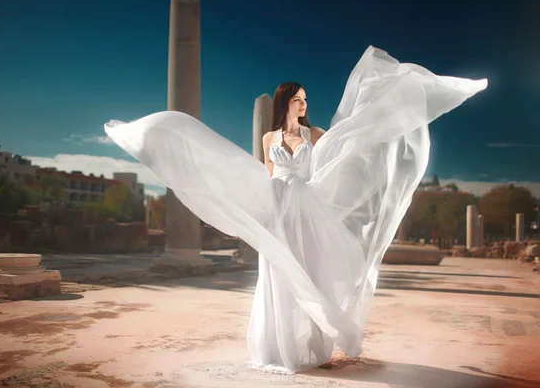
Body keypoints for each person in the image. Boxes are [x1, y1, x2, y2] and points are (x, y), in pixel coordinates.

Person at [105, 46, 487, 374]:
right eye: (298, 99)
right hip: (279, 207)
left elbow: (335, 157)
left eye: (306, 99)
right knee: (277, 274)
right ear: (286, 102)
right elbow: (269, 175)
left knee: (310, 271)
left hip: (307, 206)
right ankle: (278, 348)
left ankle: (313, 348)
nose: (304, 104)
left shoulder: (316, 135)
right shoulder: (269, 137)